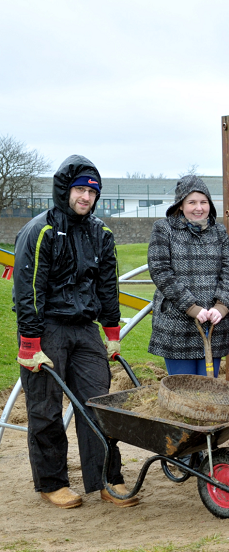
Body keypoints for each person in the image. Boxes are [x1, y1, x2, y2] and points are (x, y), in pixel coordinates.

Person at [13, 155, 137, 509]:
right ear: (66, 190)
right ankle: (52, 482)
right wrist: (29, 344)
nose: (86, 197)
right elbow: (28, 289)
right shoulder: (42, 230)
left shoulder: (101, 233)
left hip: (85, 330)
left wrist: (112, 334)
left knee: (98, 404)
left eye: (92, 192)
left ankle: (106, 479)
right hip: (47, 329)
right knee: (46, 409)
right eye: (80, 190)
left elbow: (107, 287)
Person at [147, 175, 229, 377]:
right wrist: (191, 307)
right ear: (180, 205)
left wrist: (221, 306)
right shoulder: (164, 229)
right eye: (192, 202)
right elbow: (160, 270)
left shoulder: (219, 231)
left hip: (212, 323)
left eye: (203, 202)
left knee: (208, 390)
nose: (199, 208)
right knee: (182, 391)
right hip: (177, 323)